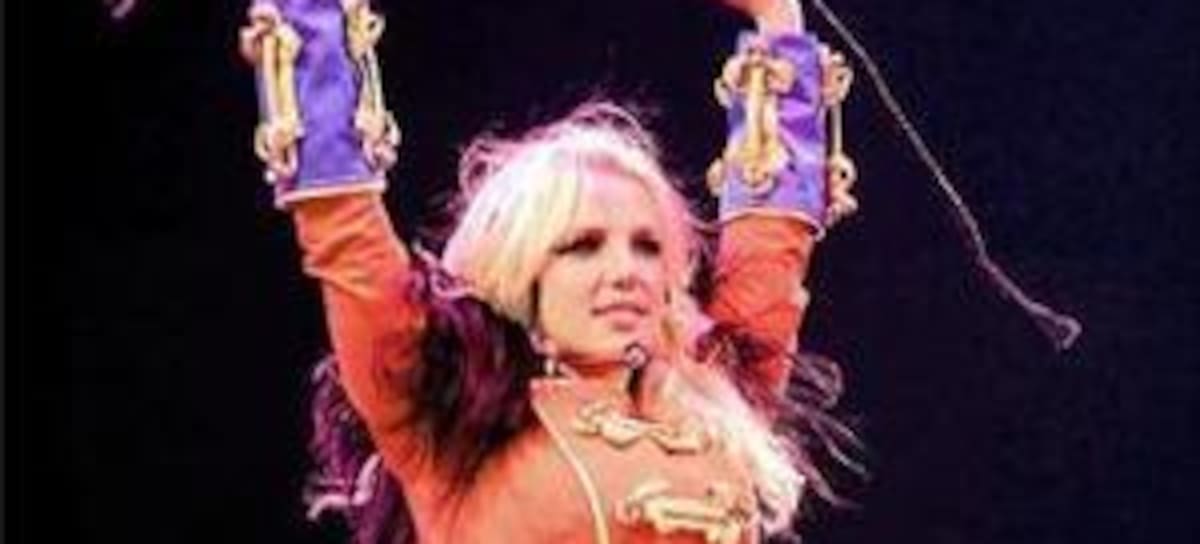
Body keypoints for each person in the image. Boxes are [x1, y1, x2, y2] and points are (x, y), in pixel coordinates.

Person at [240, 0, 860, 541]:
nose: (626, 271)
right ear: (519, 271)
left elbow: (773, 241)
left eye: (647, 247)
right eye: (583, 246)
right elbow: (346, 231)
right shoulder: (446, 411)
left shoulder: (714, 397)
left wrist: (778, 19)